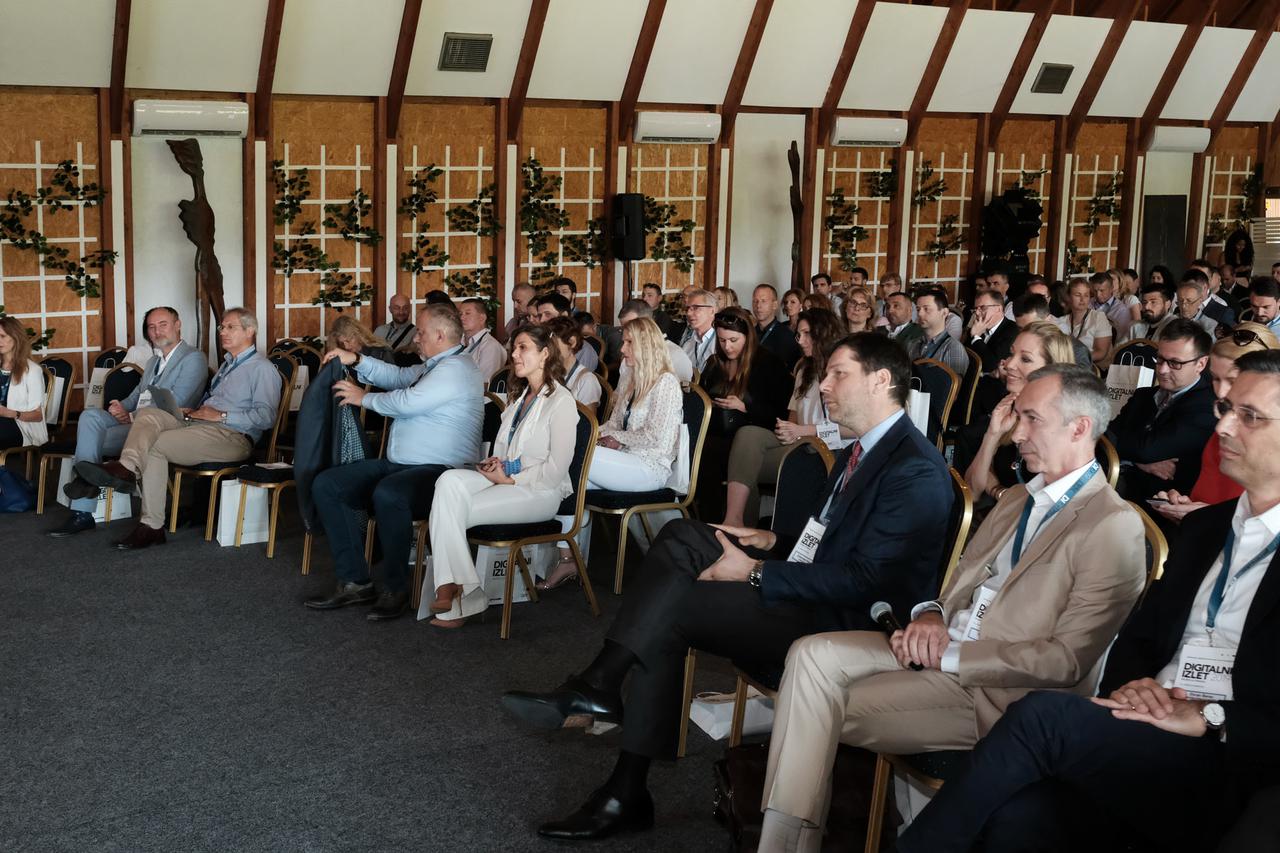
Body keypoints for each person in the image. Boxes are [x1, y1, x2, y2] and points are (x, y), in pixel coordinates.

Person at [501, 333, 954, 842]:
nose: (823, 385)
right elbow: (825, 545)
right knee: (681, 536)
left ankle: (619, 770)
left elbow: (867, 582)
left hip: (841, 622)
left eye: (838, 374)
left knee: (673, 609)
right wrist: (770, 540)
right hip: (810, 584)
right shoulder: (864, 450)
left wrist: (754, 572)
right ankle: (601, 690)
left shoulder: (913, 467)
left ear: (880, 381)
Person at [896, 351, 1280, 853]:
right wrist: (1139, 687)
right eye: (1224, 409)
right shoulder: (1207, 527)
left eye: (1249, 416)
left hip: (1237, 757)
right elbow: (1139, 638)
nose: (1224, 426)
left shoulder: (1141, 523)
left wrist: (1211, 717)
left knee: (1042, 716)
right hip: (1148, 725)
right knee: (1017, 818)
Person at [759, 364, 1146, 852]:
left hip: (996, 693)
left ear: (1079, 428)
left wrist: (949, 655)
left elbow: (1066, 660)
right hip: (945, 649)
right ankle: (792, 842)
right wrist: (930, 617)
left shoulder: (1111, 525)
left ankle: (785, 844)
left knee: (811, 705)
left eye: (1031, 419)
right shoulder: (1018, 499)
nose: (1017, 435)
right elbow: (956, 586)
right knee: (809, 655)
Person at [302, 304, 483, 620]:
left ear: (440, 336)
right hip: (401, 465)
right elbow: (397, 377)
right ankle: (355, 581)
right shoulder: (433, 366)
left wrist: (363, 398)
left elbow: (409, 402)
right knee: (329, 484)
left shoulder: (457, 368)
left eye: (421, 333)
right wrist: (357, 359)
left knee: (390, 494)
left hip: (442, 472)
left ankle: (396, 587)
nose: (416, 339)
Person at [75, 309, 281, 550]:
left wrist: (221, 416)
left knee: (155, 443)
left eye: (230, 327)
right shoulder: (227, 366)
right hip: (199, 425)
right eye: (222, 327)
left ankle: (150, 524)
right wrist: (195, 411)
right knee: (150, 415)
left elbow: (267, 417)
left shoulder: (261, 368)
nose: (223, 332)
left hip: (233, 436)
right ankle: (128, 470)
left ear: (250, 331)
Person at [427, 325, 577, 627]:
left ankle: (461, 591)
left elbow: (556, 470)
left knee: (448, 509)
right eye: (514, 348)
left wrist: (510, 479)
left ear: (544, 354)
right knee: (447, 482)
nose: (514, 354)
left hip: (541, 492)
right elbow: (510, 455)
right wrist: (497, 464)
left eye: (523, 347)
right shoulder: (519, 398)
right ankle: (461, 588)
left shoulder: (561, 401)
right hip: (507, 480)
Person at [539, 317, 683, 592]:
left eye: (629, 342)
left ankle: (567, 554)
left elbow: (655, 437)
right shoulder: (630, 377)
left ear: (646, 345)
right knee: (566, 478)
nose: (622, 349)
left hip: (651, 466)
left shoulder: (666, 382)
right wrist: (590, 435)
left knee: (574, 458)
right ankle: (568, 558)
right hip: (626, 461)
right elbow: (613, 424)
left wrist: (613, 439)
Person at [51, 307, 206, 537]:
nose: (157, 331)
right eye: (151, 327)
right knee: (90, 417)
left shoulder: (193, 358)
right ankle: (94, 486)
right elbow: (136, 396)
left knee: (91, 442)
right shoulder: (153, 361)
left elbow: (177, 403)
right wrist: (120, 407)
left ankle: (83, 505)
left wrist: (131, 416)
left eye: (163, 324)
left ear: (177, 324)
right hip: (136, 423)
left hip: (163, 428)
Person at [722, 308, 849, 527]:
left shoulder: (844, 373)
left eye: (807, 334)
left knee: (744, 466)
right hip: (802, 443)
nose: (800, 340)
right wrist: (787, 429)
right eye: (798, 334)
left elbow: (853, 429)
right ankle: (735, 521)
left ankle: (741, 527)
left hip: (831, 449)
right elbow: (794, 417)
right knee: (748, 435)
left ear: (824, 334)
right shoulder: (804, 369)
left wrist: (804, 431)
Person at [1149, 324, 1276, 524]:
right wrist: (1187, 506)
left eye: (1234, 380)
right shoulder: (1222, 425)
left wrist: (1208, 516)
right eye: (1215, 378)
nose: (1222, 392)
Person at [960, 321, 1077, 503]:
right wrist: (992, 435)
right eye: (1012, 354)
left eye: (1025, 359)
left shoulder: (1064, 428)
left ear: (1052, 370)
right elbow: (972, 492)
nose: (1009, 364)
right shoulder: (1011, 409)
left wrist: (999, 492)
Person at [696, 308, 791, 520]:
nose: (727, 346)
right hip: (717, 432)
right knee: (700, 449)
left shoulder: (769, 364)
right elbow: (701, 397)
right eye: (722, 340)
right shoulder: (714, 363)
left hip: (757, 433)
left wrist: (745, 407)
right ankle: (709, 520)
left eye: (733, 340)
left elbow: (781, 414)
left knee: (710, 454)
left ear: (747, 337)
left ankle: (724, 521)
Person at [1107, 318, 1216, 502]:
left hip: (1158, 502)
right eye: (1160, 359)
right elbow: (1108, 437)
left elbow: (1145, 450)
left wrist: (1135, 453)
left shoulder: (1206, 405)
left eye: (1175, 363)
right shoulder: (1144, 395)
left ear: (1201, 364)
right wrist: (1142, 463)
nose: (1163, 370)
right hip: (1118, 485)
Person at [0, 315, 48, 451]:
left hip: (21, 427)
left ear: (16, 338)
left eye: (2, 336)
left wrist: (9, 413)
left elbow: (38, 416)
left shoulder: (32, 370)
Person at [616, 299, 693, 383]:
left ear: (650, 323)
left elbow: (682, 389)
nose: (626, 331)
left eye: (633, 325)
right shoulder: (629, 356)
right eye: (623, 328)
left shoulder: (675, 356)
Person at [544, 316, 602, 416]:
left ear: (572, 343)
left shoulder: (587, 381)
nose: (547, 351)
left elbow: (587, 423)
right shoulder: (550, 372)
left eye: (552, 345)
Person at [908, 288, 970, 377]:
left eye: (926, 309)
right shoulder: (913, 344)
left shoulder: (953, 348)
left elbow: (954, 385)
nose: (920, 314)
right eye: (918, 309)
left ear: (944, 313)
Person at [533, 291, 598, 373]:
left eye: (548, 314)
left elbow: (575, 378)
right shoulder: (542, 341)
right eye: (539, 316)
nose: (542, 320)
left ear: (564, 315)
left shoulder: (584, 350)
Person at [1055, 277, 1111, 366]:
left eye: (1086, 295)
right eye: (1078, 295)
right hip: (1065, 367)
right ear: (1068, 297)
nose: (1082, 299)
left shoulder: (1098, 317)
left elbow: (1101, 353)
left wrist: (1074, 360)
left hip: (1091, 367)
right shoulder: (1060, 321)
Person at [968, 287, 1019, 373]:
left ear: (998, 309)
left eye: (982, 308)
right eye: (976, 309)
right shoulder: (978, 327)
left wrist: (976, 337)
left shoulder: (1012, 330)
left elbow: (992, 366)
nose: (977, 312)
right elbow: (965, 359)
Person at [752, 283, 801, 371]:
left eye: (763, 301)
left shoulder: (786, 336)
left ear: (775, 305)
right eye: (755, 301)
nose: (758, 306)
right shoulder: (749, 333)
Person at [458, 297, 506, 381]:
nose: (462, 317)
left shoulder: (490, 346)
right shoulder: (457, 341)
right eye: (460, 314)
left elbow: (485, 382)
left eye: (467, 313)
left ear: (482, 318)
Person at [1090, 269, 1138, 341]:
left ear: (1111, 288)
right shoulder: (1087, 304)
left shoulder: (1122, 311)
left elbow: (1123, 339)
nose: (1098, 295)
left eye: (1102, 290)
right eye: (1095, 291)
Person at [679, 288, 718, 373]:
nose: (688, 313)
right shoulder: (687, 341)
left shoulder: (721, 341)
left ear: (712, 311)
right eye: (687, 309)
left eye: (695, 308)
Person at [1177, 270, 1222, 336]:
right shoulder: (1171, 320)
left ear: (1200, 301)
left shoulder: (1210, 325)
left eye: (1189, 301)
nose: (1184, 306)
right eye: (1180, 301)